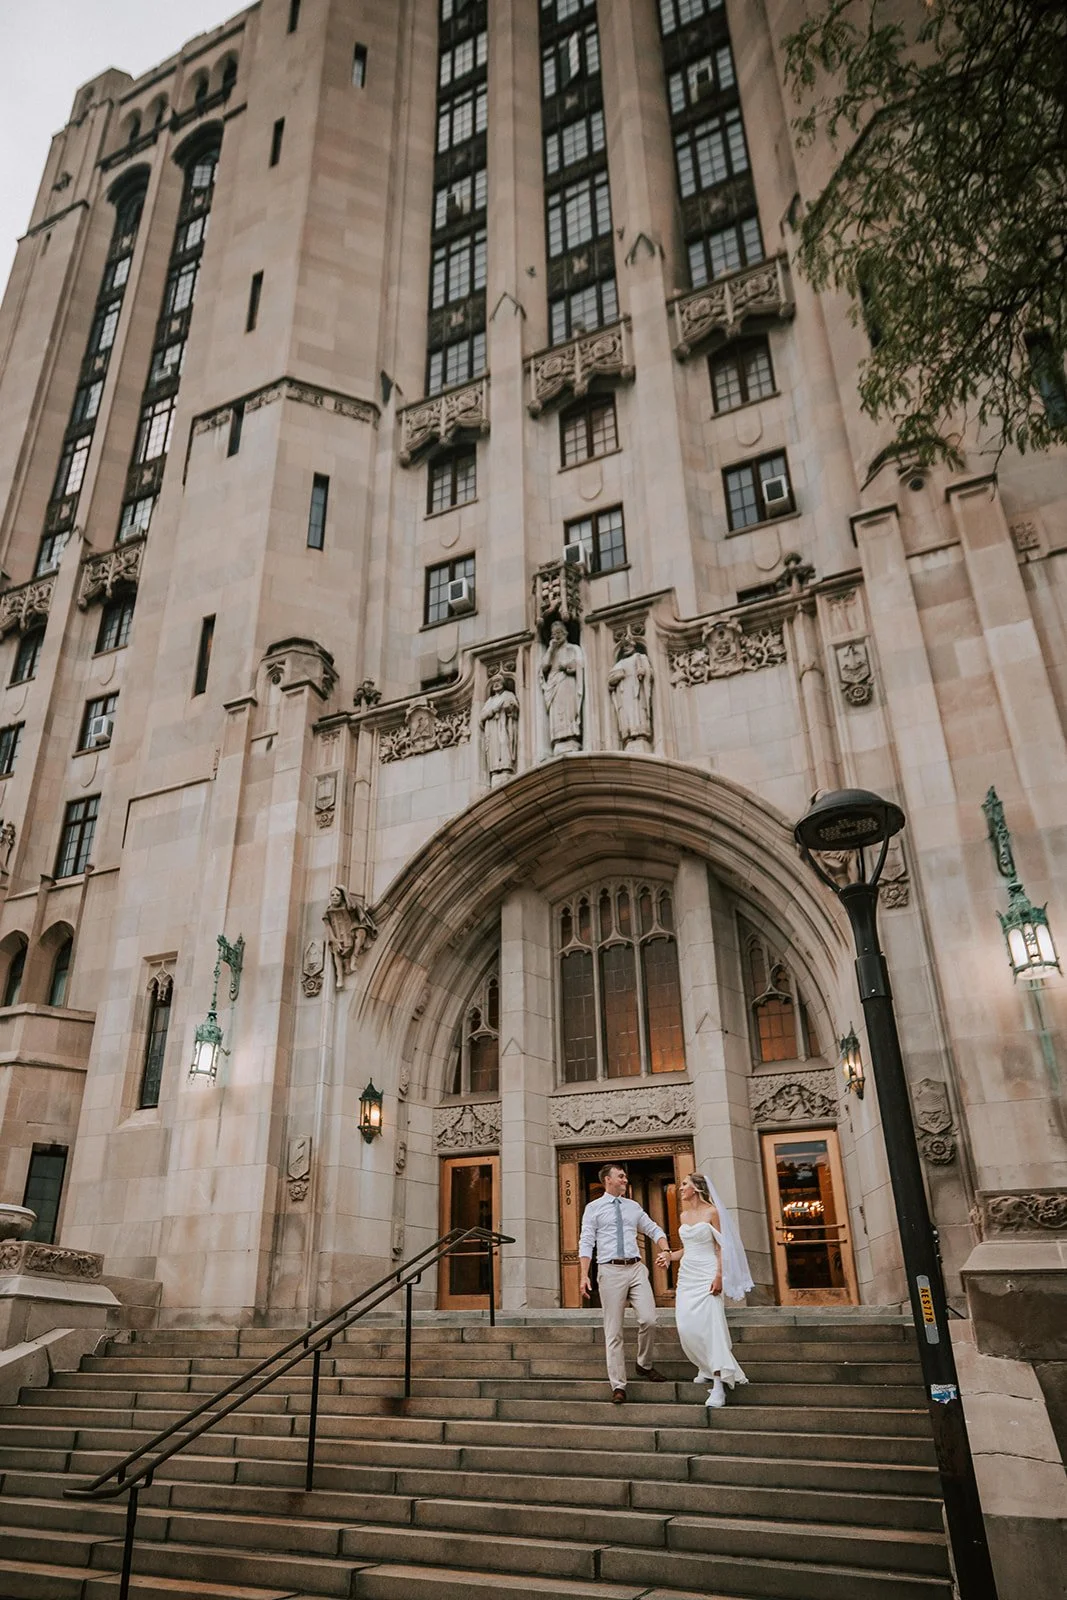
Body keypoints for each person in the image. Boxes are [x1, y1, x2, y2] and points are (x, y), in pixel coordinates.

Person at [656, 1171, 751, 1408]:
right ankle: (705, 1365)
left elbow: (722, 1248)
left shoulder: (712, 1212)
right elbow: (686, 1249)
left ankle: (718, 1385)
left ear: (696, 1189)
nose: (680, 1189)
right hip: (687, 1276)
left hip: (707, 1275)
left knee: (711, 1328)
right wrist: (668, 1256)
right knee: (687, 1326)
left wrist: (720, 1276)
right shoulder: (684, 1215)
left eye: (684, 1185)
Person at [578, 1162, 668, 1403]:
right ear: (607, 1180)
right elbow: (586, 1241)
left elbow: (653, 1229)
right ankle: (618, 1385)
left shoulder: (633, 1206)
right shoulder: (593, 1208)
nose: (625, 1179)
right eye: (621, 1176)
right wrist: (583, 1274)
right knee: (614, 1331)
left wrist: (666, 1249)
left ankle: (643, 1364)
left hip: (636, 1268)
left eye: (626, 1176)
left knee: (649, 1319)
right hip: (610, 1270)